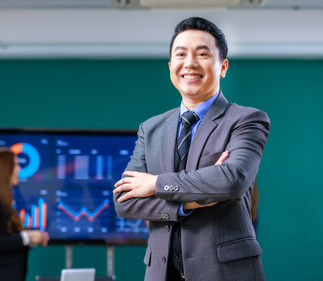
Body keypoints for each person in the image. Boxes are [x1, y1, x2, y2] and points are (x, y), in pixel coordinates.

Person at [113, 17, 270, 281]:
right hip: (161, 273)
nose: (190, 63)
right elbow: (125, 202)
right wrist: (188, 203)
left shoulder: (246, 120)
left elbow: (232, 181)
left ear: (223, 66)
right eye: (181, 54)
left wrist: (155, 184)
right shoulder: (151, 128)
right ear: (171, 66)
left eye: (202, 54)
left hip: (225, 272)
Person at [0, 147, 49, 281]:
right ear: (2, 169)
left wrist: (31, 239)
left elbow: (5, 240)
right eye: (15, 165)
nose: (19, 169)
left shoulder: (2, 200)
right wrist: (26, 238)